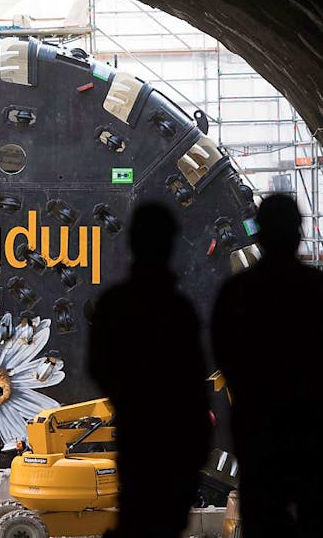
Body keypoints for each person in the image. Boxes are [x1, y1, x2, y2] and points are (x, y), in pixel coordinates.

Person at [211, 193, 323, 538]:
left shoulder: (237, 293)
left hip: (259, 437)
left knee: (264, 522)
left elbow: (224, 356)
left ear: (259, 234)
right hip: (314, 438)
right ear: (298, 233)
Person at [88, 202, 211, 538]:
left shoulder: (115, 303)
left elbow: (98, 366)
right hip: (175, 437)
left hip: (137, 434)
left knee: (137, 514)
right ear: (170, 244)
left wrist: (130, 400)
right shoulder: (179, 309)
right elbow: (194, 379)